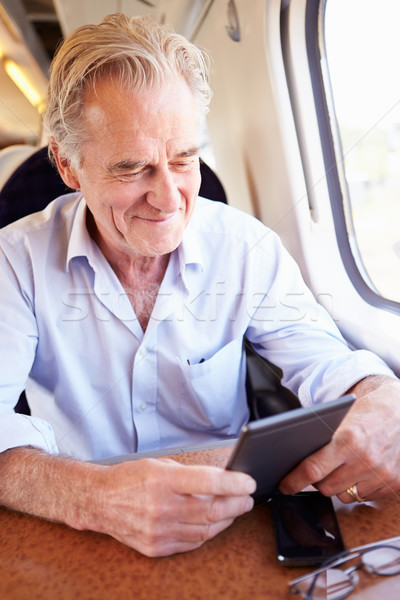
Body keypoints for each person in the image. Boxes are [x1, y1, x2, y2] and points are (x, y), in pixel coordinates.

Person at [0, 13, 399, 558]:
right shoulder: (14, 261)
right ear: (69, 167)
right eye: (132, 168)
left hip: (230, 516)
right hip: (84, 520)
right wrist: (92, 497)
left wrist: (385, 399)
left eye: (184, 159)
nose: (169, 200)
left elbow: (328, 364)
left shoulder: (247, 247)